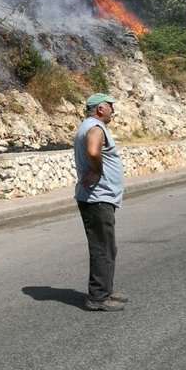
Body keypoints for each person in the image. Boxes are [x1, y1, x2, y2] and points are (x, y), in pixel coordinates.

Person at [74, 92, 128, 311]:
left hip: (99, 197)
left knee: (106, 247)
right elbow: (93, 151)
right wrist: (97, 171)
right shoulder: (95, 128)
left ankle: (105, 290)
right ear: (100, 109)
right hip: (97, 198)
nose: (113, 111)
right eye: (110, 107)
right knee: (102, 248)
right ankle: (98, 298)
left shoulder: (89, 126)